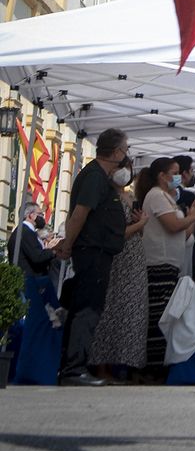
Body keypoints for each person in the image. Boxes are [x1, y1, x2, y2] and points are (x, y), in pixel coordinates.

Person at [54, 129, 136, 386]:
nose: (126, 155)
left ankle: (75, 365)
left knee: (89, 308)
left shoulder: (101, 177)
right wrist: (67, 244)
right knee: (87, 309)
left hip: (99, 253)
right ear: (117, 152)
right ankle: (74, 368)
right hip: (92, 252)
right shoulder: (95, 176)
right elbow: (80, 213)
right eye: (125, 149)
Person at [139, 157, 195, 376]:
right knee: (158, 315)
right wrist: (192, 215)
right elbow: (172, 226)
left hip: (171, 262)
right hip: (158, 262)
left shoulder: (168, 198)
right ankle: (153, 366)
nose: (179, 177)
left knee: (167, 314)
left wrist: (194, 217)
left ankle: (163, 362)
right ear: (163, 175)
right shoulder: (156, 196)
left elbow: (184, 233)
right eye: (175, 172)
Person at [88, 172, 153, 382]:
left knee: (129, 311)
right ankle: (102, 365)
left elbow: (135, 231)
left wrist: (139, 223)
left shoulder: (129, 198)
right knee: (111, 310)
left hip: (133, 258)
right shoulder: (108, 198)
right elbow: (118, 233)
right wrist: (140, 224)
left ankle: (119, 364)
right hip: (118, 259)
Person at [10, 201, 65, 385]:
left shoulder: (25, 233)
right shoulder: (24, 233)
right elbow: (36, 257)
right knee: (32, 327)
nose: (42, 217)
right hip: (30, 285)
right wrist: (53, 249)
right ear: (31, 215)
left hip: (33, 284)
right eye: (40, 213)